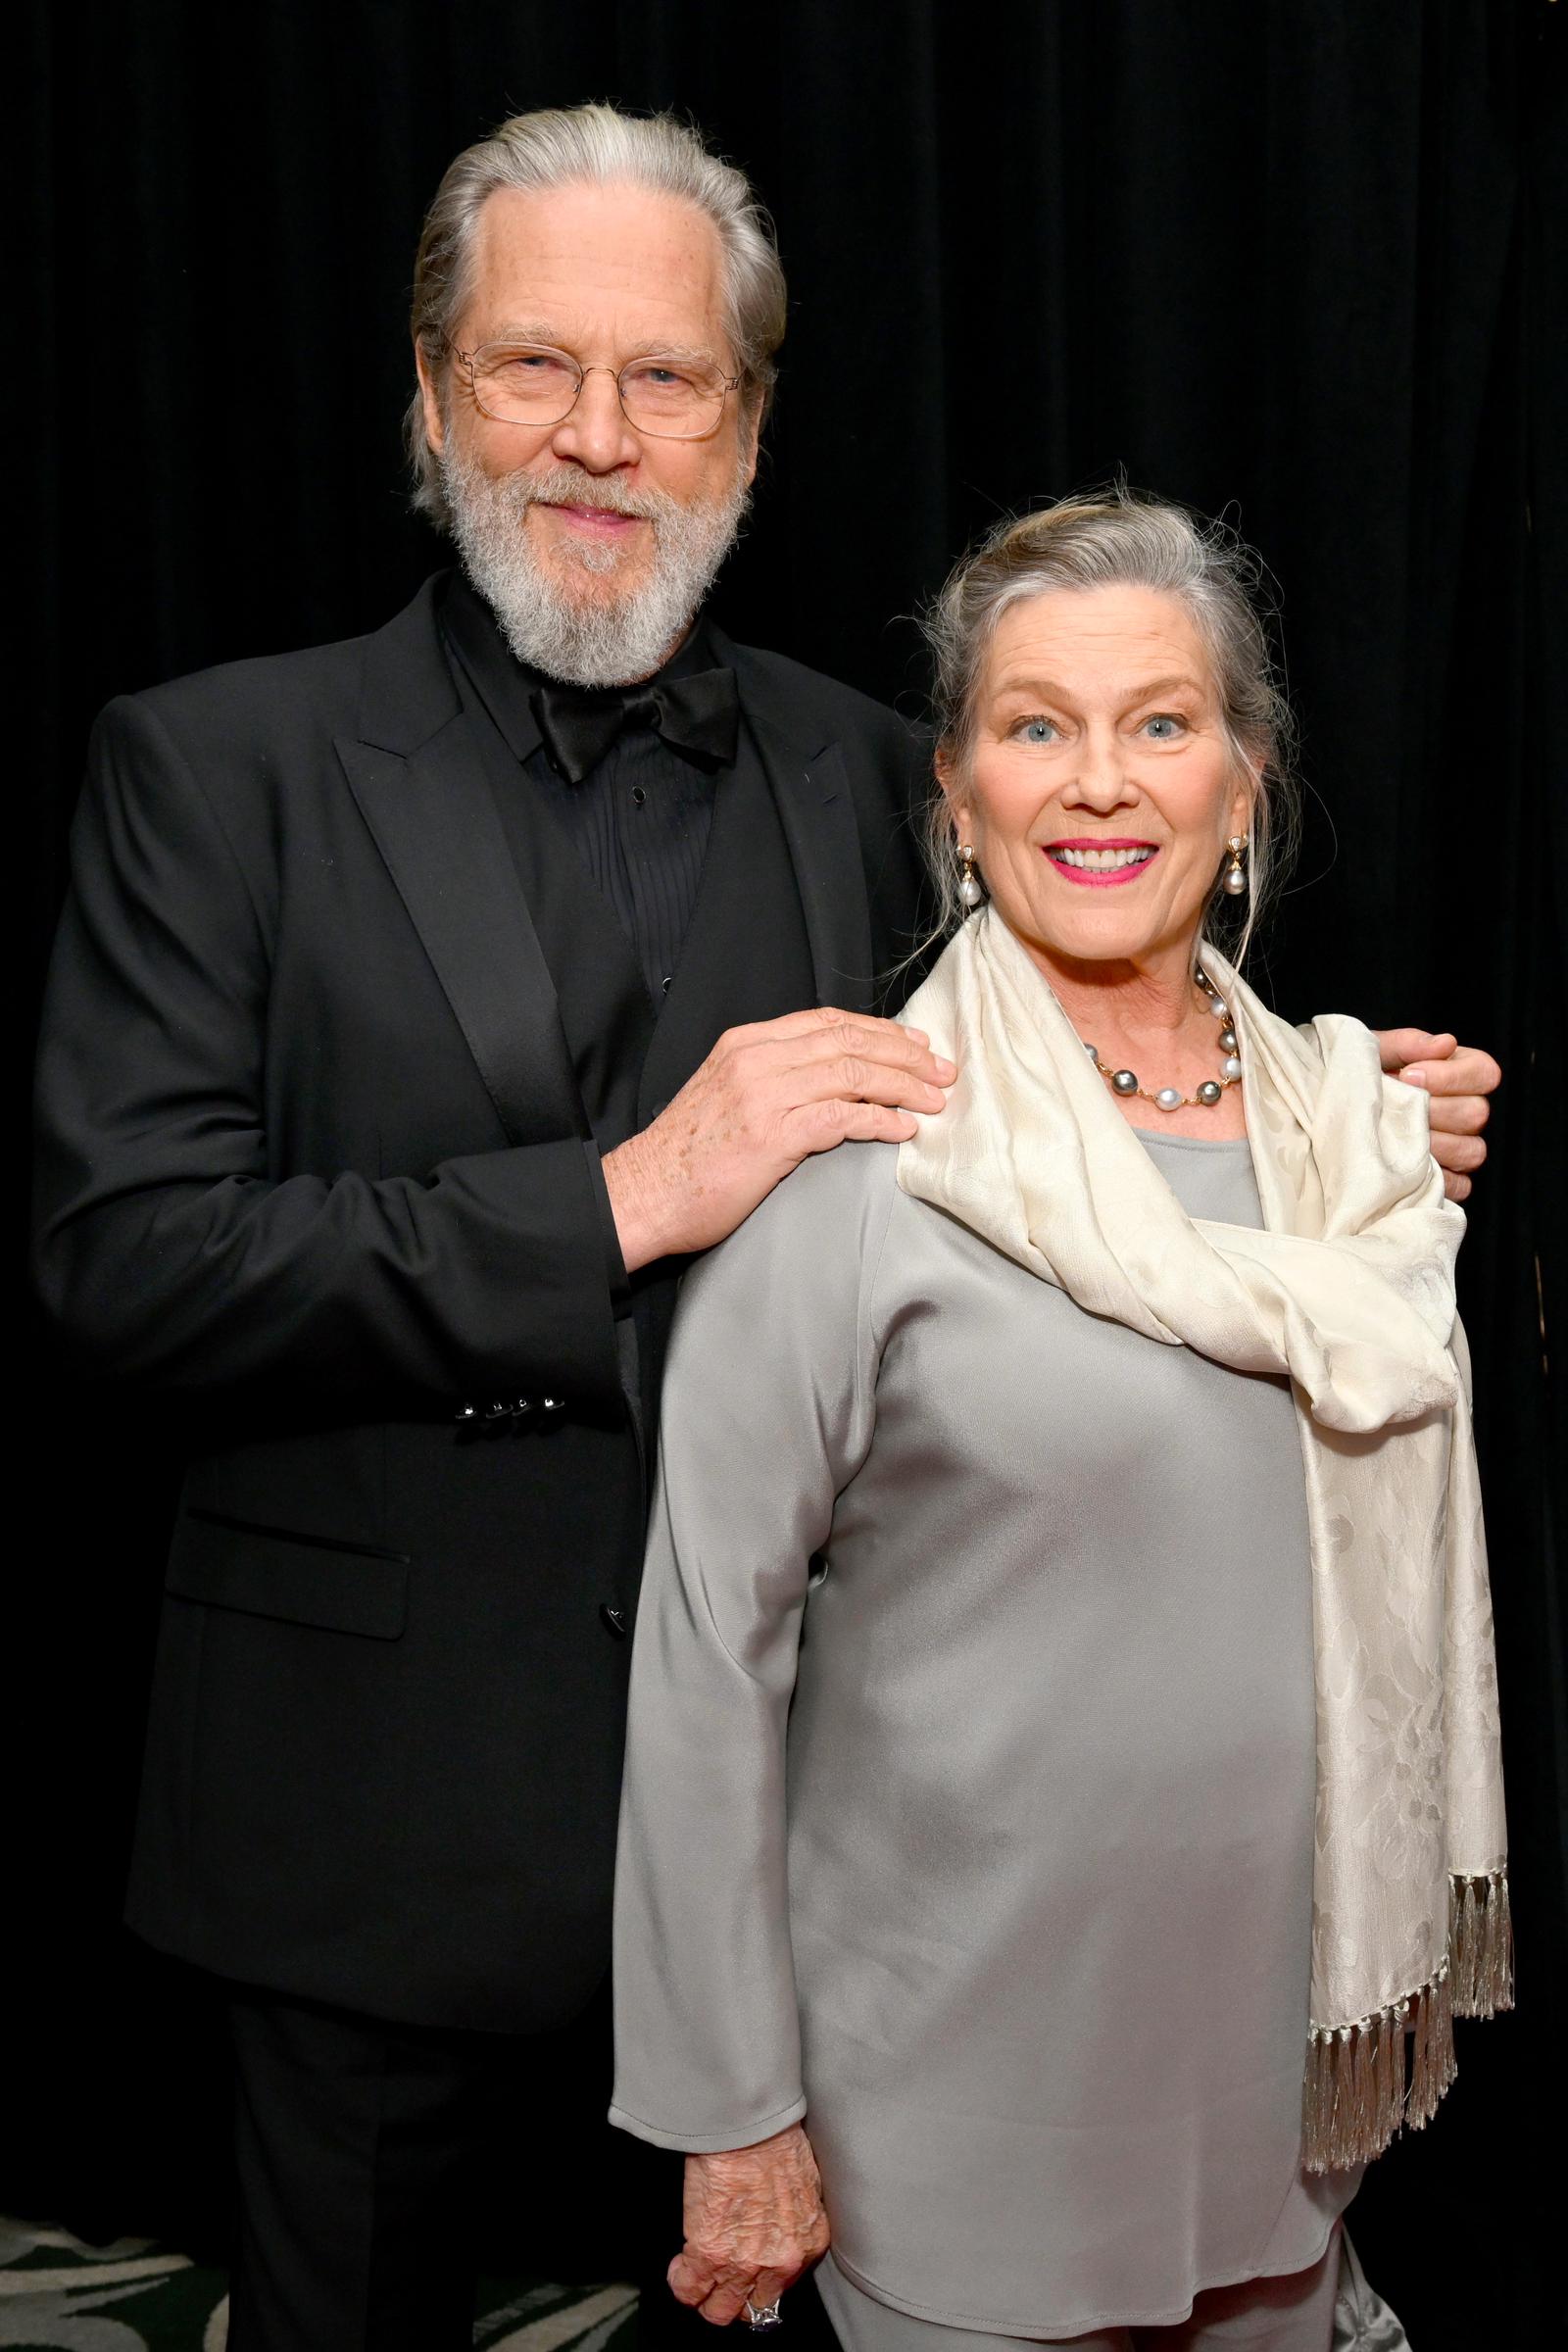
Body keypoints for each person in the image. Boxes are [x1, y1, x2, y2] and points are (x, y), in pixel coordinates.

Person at [31, 103, 1495, 2350]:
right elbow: (126, 1265)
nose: (598, 436)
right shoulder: (214, 766)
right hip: (379, 1845)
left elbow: (1053, 1105)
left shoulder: (859, 764)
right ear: (430, 397)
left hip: (830, 1884)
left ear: (748, 419)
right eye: (534, 367)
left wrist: (1321, 1118)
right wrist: (619, 1199)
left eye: (668, 378)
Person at [609, 493, 1512, 2352]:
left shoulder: (1359, 1155)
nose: (1101, 784)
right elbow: (707, 1654)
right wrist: (733, 2117)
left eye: (1162, 724)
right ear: (957, 796)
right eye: (1036, 726)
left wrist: (1403, 1144)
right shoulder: (856, 1164)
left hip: (1282, 2096)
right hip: (951, 2119)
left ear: (1243, 783)